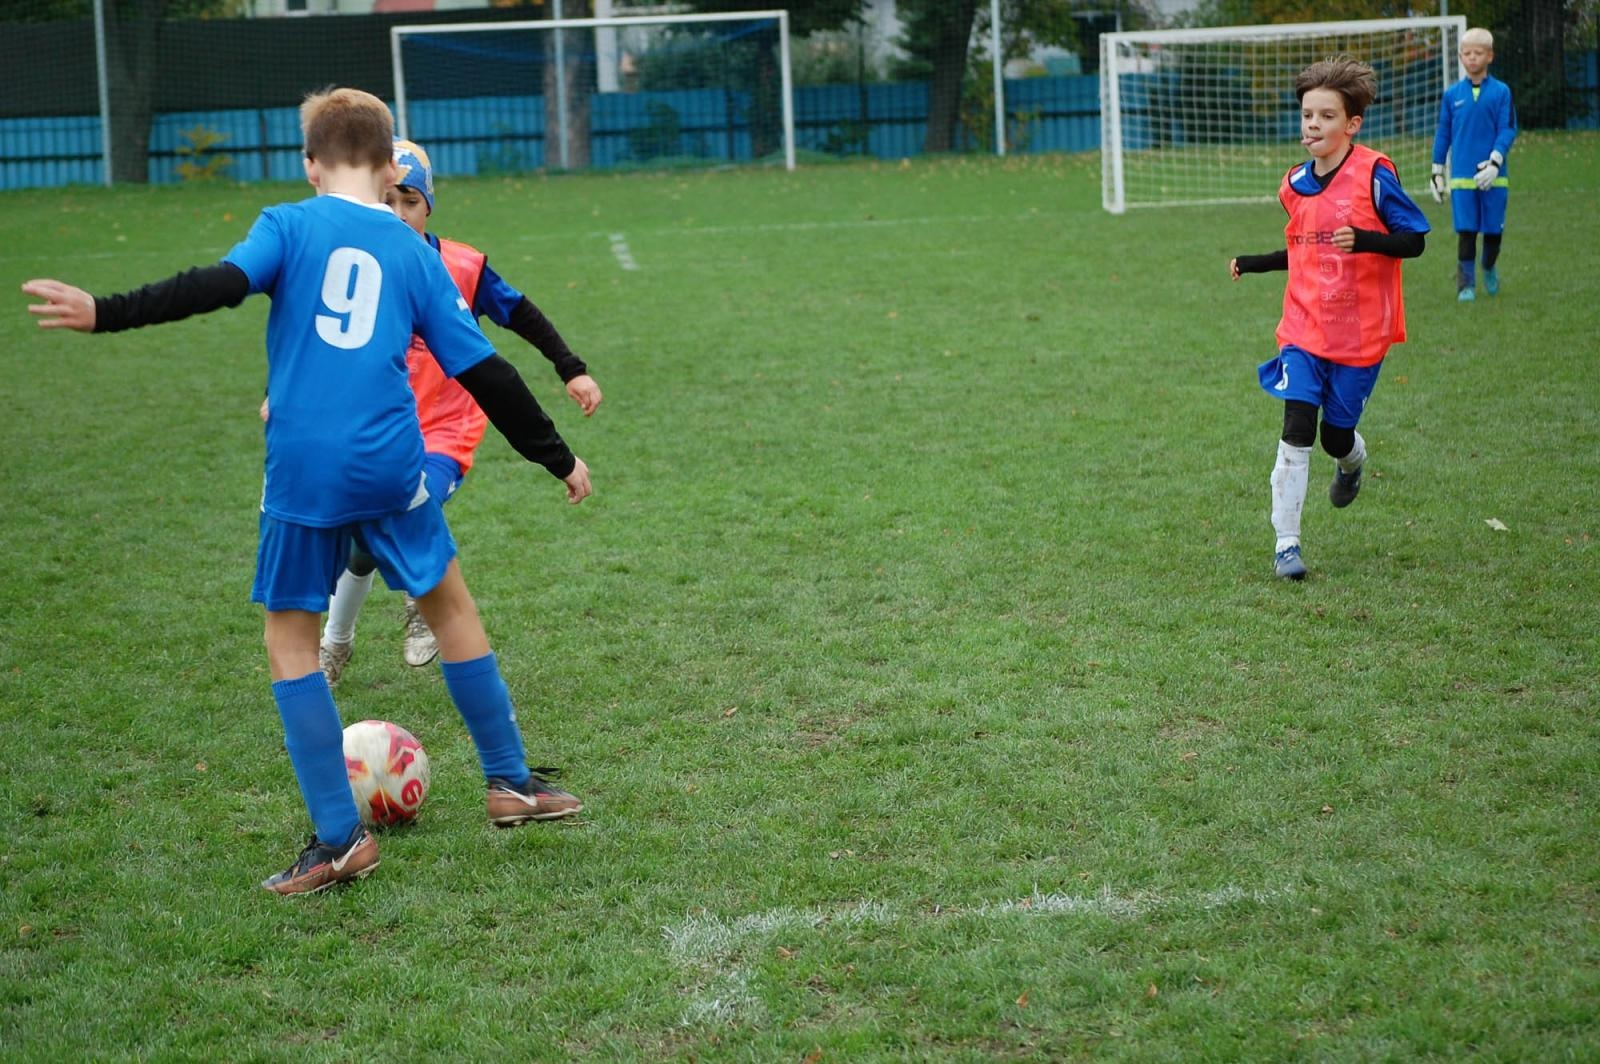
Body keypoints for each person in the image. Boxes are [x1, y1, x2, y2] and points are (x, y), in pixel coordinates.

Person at [23, 88, 594, 896]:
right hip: (393, 463)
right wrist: (556, 457)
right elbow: (486, 372)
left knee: (291, 643)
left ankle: (338, 840)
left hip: (302, 468)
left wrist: (105, 312)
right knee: (452, 608)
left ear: (310, 164)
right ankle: (510, 784)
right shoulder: (410, 250)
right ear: (393, 164)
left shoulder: (287, 224)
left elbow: (217, 284)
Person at [317, 138, 603, 683]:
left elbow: (522, 314)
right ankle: (338, 642)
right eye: (387, 201)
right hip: (375, 430)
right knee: (361, 545)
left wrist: (572, 368)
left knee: (406, 503)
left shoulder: (462, 267)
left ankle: (415, 605)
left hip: (446, 433)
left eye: (410, 200)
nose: (398, 214)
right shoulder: (355, 270)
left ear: (428, 204)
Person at [1229, 57, 1429, 581]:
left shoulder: (1374, 174)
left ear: (1352, 124)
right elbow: (1305, 247)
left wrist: (1365, 240)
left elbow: (1414, 241)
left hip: (1361, 333)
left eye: (1325, 116)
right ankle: (1286, 544)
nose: (1312, 125)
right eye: (1306, 115)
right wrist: (1253, 263)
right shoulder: (1293, 183)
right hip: (1304, 327)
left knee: (1335, 437)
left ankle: (1352, 462)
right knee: (1296, 427)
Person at [1430, 28, 1517, 302]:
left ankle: (1489, 267)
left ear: (1490, 56)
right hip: (1462, 179)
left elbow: (1507, 129)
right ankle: (1465, 286)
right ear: (1460, 57)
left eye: (1478, 53)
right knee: (1466, 233)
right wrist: (1437, 171)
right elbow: (1443, 133)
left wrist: (1495, 160)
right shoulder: (1451, 94)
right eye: (1466, 53)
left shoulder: (1502, 92)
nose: (1472, 58)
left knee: (1493, 233)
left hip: (1495, 177)